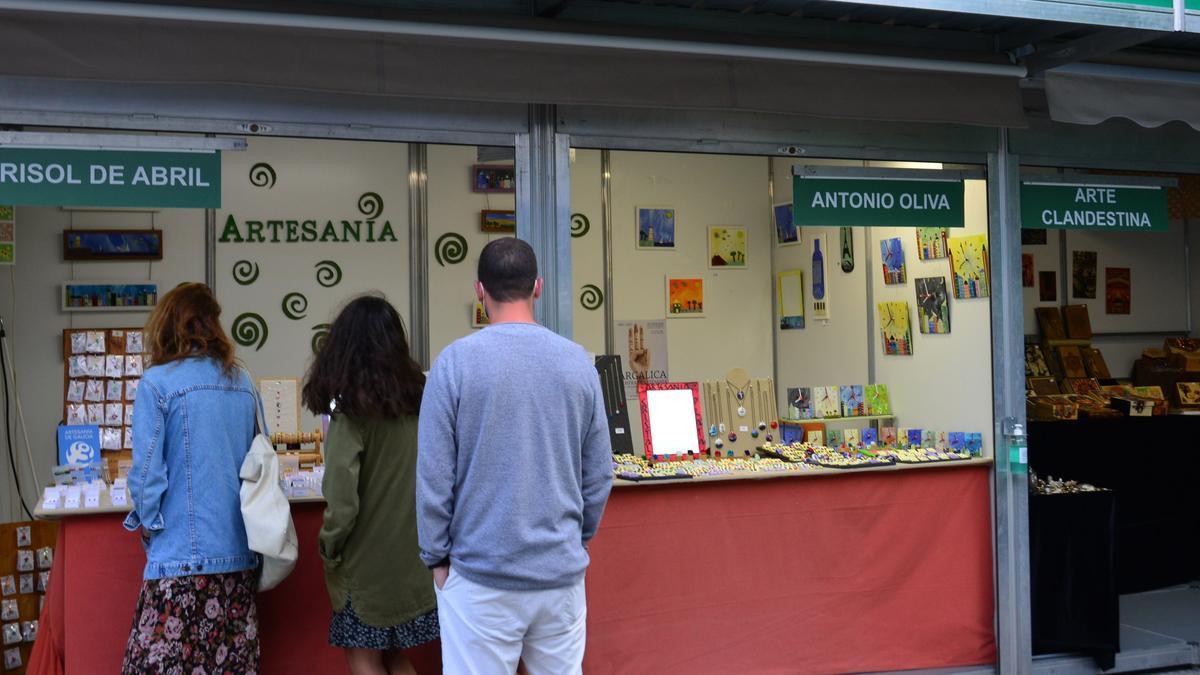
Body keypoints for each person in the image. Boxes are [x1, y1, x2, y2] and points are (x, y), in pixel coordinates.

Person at [417, 237, 613, 674]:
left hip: (479, 576)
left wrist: (437, 558)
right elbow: (600, 473)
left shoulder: (453, 365)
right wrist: (574, 540)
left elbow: (433, 476)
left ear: (479, 291)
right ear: (538, 287)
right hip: (558, 575)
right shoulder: (578, 363)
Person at [121, 283, 262, 673]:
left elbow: (147, 476)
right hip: (237, 563)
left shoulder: (157, 383)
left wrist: (150, 526)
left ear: (166, 325)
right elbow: (259, 464)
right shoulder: (243, 383)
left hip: (179, 562)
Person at [303, 295, 438, 675]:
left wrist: (329, 548)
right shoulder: (420, 402)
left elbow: (342, 502)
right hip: (413, 559)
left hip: (363, 567)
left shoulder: (350, 414)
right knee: (395, 654)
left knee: (362, 655)